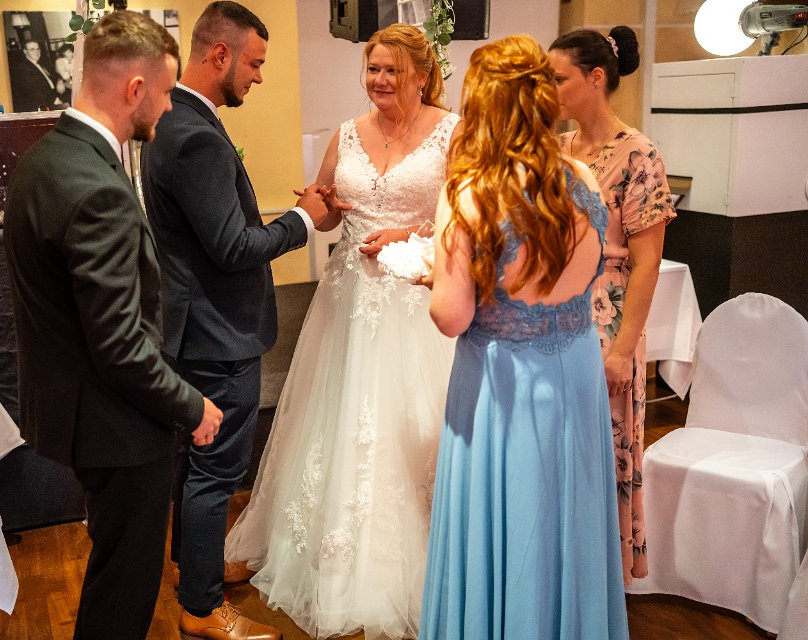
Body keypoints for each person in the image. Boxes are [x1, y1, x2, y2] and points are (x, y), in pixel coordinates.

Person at [224, 23, 460, 640]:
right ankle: (325, 552)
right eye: (372, 68)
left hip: (415, 303)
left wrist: (411, 235)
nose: (378, 80)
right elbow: (329, 213)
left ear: (421, 75)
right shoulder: (348, 133)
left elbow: (464, 220)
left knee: (407, 425)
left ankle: (416, 557)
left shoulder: (452, 133)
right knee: (336, 418)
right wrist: (319, 206)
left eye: (391, 70)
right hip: (348, 299)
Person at [3, 12, 222, 640]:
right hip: (117, 425)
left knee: (112, 570)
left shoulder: (43, 158)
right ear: (135, 88)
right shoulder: (97, 187)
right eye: (167, 92)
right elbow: (121, 346)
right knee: (124, 590)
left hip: (74, 412)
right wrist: (192, 406)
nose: (170, 107)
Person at [418, 35, 629, 639]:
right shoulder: (582, 176)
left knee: (508, 521)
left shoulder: (470, 192)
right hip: (575, 372)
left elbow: (451, 316)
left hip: (501, 383)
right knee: (568, 521)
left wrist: (434, 275)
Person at [139, 3, 329, 639]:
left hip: (193, 326)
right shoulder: (194, 134)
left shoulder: (174, 117)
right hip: (218, 334)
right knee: (216, 469)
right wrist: (303, 222)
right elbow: (232, 246)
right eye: (254, 62)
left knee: (195, 461)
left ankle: (190, 567)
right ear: (219, 54)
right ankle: (201, 607)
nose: (259, 76)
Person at [549, 26, 676, 585]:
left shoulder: (639, 153)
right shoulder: (558, 149)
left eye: (558, 79)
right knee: (557, 448)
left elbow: (647, 263)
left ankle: (597, 580)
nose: (549, 90)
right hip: (551, 313)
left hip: (607, 316)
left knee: (602, 447)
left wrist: (624, 350)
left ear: (595, 78)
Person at [8, 40, 56, 111]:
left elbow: (51, 79)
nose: (36, 52)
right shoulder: (23, 68)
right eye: (32, 49)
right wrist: (54, 100)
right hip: (40, 105)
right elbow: (35, 93)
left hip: (52, 96)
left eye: (38, 49)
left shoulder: (41, 63)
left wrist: (59, 82)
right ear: (25, 51)